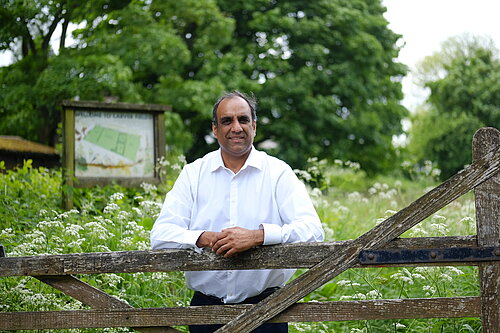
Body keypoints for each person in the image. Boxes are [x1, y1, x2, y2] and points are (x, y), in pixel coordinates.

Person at [150, 91, 324, 332]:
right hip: (206, 312)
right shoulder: (193, 174)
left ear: (254, 126)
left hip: (268, 310)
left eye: (243, 120)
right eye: (226, 121)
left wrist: (258, 236)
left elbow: (313, 231)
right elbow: (160, 235)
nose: (236, 127)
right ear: (214, 129)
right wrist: (204, 238)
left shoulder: (278, 173)